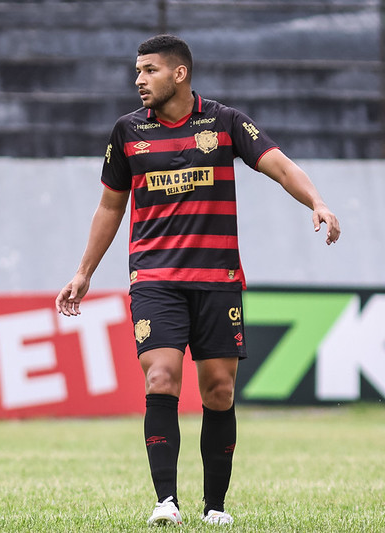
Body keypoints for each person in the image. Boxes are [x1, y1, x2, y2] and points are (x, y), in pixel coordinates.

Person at [56, 34, 340, 527]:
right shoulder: (127, 131)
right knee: (161, 377)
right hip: (154, 278)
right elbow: (110, 206)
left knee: (219, 390)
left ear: (179, 73)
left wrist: (316, 202)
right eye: (137, 71)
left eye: (149, 70)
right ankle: (166, 501)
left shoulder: (225, 122)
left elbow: (278, 165)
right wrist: (83, 272)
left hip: (217, 278)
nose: (139, 80)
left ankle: (215, 507)